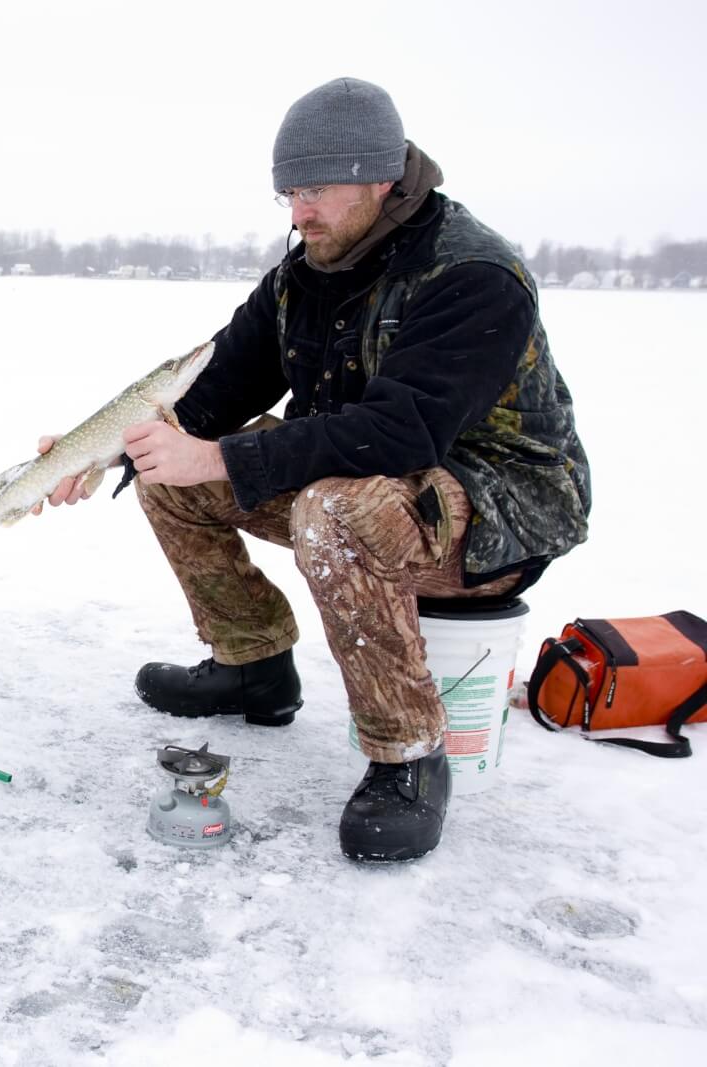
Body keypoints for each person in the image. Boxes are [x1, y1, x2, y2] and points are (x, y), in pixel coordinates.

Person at [39, 77, 590, 863]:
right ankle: (253, 666)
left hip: (496, 515)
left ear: (380, 176)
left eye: (316, 191)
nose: (299, 213)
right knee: (174, 465)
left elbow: (403, 431)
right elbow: (215, 386)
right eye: (289, 194)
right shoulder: (309, 270)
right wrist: (99, 449)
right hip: (365, 486)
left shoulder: (471, 274)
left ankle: (409, 753)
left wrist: (220, 454)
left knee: (332, 510)